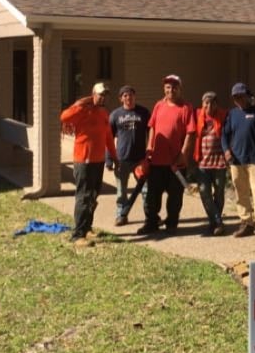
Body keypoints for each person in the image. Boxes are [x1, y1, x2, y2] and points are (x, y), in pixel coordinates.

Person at [60, 82, 117, 246]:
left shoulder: (104, 113)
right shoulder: (83, 110)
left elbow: (108, 138)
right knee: (83, 197)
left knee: (93, 196)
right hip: (83, 161)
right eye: (100, 94)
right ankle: (78, 235)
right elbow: (64, 117)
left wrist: (114, 157)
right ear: (93, 94)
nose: (102, 97)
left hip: (98, 161)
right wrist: (80, 103)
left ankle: (87, 228)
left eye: (105, 95)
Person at [139, 74, 195, 236]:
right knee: (152, 196)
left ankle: (171, 223)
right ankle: (151, 222)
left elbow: (190, 134)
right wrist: (149, 148)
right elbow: (152, 128)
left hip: (176, 164)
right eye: (168, 87)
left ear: (180, 88)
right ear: (164, 88)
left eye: (174, 87)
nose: (171, 90)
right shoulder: (158, 105)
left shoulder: (186, 108)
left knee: (175, 197)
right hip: (156, 160)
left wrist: (183, 155)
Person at [222, 81, 255, 244]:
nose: (238, 100)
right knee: (240, 192)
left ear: (247, 96)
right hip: (236, 161)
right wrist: (226, 151)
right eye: (235, 97)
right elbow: (224, 135)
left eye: (241, 96)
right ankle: (246, 222)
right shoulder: (232, 114)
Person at [107, 85, 150, 226]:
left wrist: (150, 154)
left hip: (140, 159)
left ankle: (149, 216)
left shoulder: (143, 112)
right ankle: (121, 215)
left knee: (146, 189)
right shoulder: (115, 115)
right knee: (121, 191)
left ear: (134, 96)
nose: (128, 97)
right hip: (122, 159)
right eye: (125, 95)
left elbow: (152, 133)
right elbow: (108, 138)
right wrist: (109, 159)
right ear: (121, 99)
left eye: (130, 94)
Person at [193, 91, 228, 235]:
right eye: (205, 102)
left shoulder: (224, 115)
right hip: (203, 162)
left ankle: (214, 223)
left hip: (219, 161)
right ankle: (217, 220)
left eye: (211, 102)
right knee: (204, 192)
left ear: (216, 104)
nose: (208, 105)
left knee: (219, 192)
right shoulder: (197, 115)